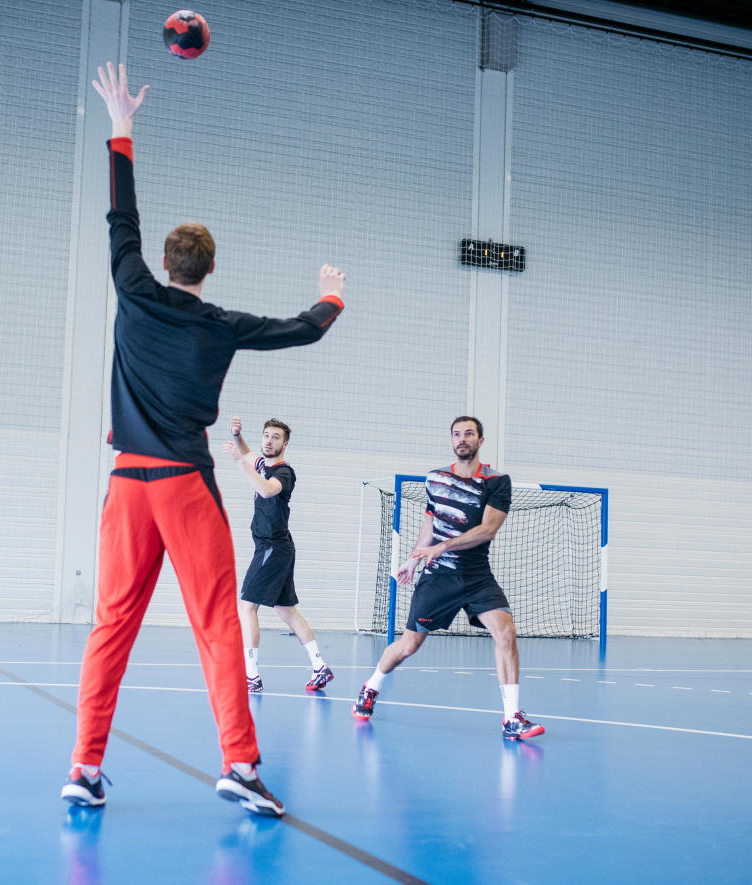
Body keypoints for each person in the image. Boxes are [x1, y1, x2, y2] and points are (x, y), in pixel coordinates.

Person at [61, 63, 345, 816]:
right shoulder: (220, 324)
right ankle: (240, 765)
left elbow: (121, 219)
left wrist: (122, 127)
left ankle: (83, 767)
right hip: (185, 486)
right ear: (210, 268)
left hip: (126, 487)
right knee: (219, 623)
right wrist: (332, 296)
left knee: (110, 626)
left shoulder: (132, 287)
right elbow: (302, 330)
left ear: (163, 263)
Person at [351, 416, 545, 741]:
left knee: (506, 632)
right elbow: (430, 524)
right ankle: (371, 686)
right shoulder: (435, 478)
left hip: (476, 574)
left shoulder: (497, 481)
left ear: (480, 440)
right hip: (437, 578)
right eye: (456, 434)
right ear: (451, 440)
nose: (462, 439)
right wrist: (413, 561)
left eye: (469, 433)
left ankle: (512, 717)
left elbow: (488, 530)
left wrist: (443, 547)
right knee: (408, 645)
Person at [221, 417, 333, 693]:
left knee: (247, 606)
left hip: (273, 547)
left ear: (285, 443)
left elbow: (266, 489)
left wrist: (239, 462)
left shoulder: (284, 472)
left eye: (275, 437)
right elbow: (248, 453)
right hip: (277, 547)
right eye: (266, 436)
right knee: (286, 611)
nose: (269, 441)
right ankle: (320, 667)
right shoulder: (262, 464)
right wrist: (237, 436)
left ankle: (251, 677)